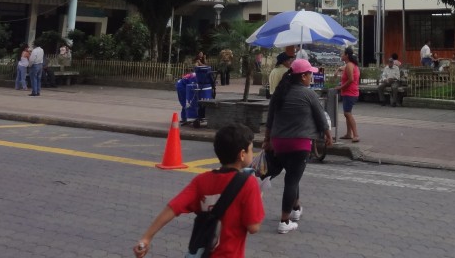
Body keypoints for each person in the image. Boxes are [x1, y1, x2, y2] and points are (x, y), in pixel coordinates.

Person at [133, 123, 263, 258]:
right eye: (251, 150)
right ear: (242, 154)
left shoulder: (201, 181)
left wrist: (146, 237)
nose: (252, 154)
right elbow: (253, 227)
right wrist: (257, 198)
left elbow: (173, 207)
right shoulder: (249, 184)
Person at [263, 59, 333, 234]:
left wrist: (266, 140)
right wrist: (328, 136)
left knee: (293, 175)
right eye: (310, 74)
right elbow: (321, 118)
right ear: (303, 76)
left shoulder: (279, 93)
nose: (312, 77)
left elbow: (270, 119)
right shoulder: (308, 94)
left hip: (278, 142)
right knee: (292, 180)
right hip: (299, 143)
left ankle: (296, 209)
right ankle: (284, 221)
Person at [338, 46, 360, 142]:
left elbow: (351, 79)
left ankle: (356, 135)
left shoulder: (350, 65)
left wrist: (340, 87)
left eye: (343, 54)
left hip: (350, 92)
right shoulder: (350, 65)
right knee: (347, 113)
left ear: (347, 55)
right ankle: (348, 133)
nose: (341, 55)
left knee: (348, 113)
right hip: (350, 92)